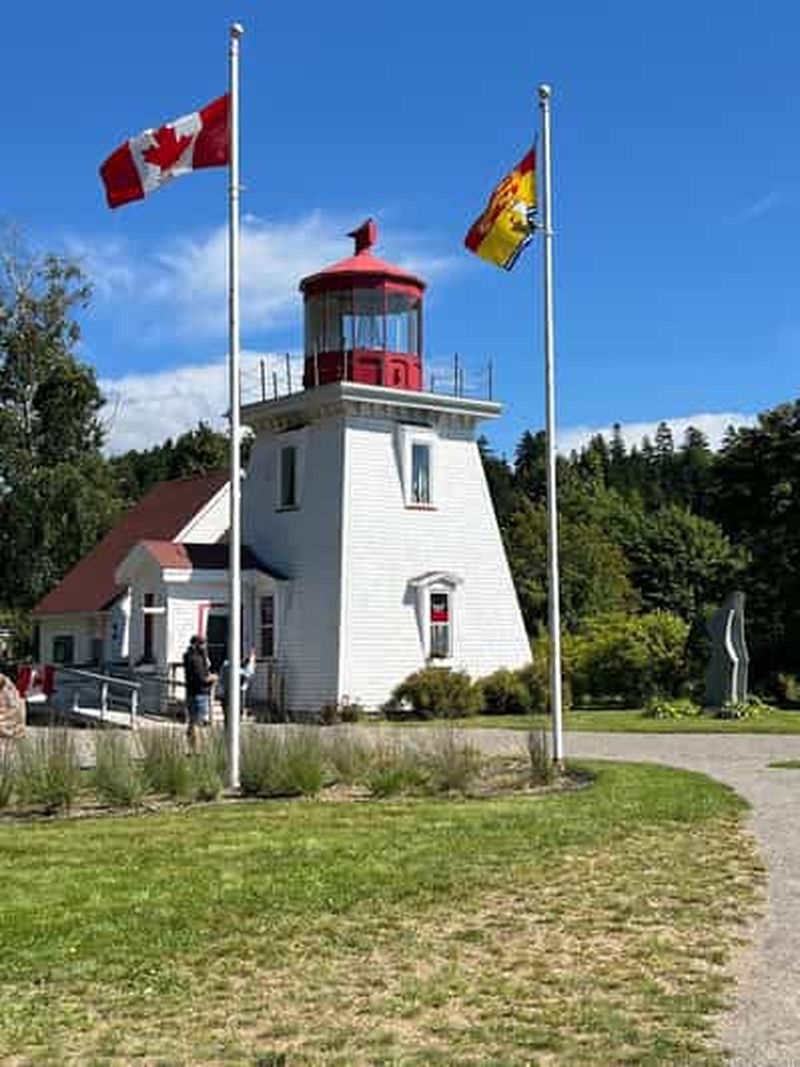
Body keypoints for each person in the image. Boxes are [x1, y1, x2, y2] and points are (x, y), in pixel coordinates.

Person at [183, 636, 217, 752]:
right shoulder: (196, 659)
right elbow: (202, 678)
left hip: (191, 693)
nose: (205, 646)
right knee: (197, 723)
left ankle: (191, 747)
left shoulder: (189, 656)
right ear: (197, 644)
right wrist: (213, 677)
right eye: (202, 644)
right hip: (199, 693)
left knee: (192, 721)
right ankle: (196, 750)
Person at [219, 648, 257, 727]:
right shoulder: (230, 666)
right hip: (235, 691)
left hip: (226, 691)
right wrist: (251, 662)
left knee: (229, 713)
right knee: (234, 712)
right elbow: (248, 674)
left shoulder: (225, 665)